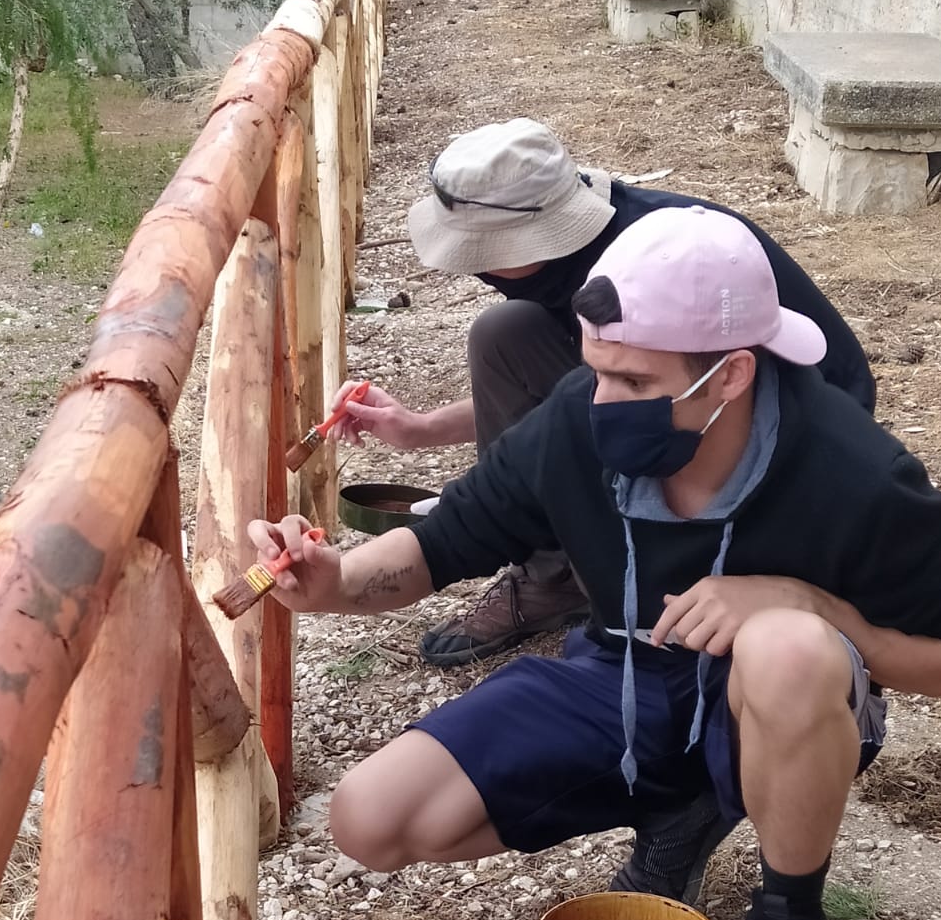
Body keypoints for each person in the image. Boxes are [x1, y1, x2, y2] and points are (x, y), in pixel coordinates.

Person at [249, 206, 941, 920]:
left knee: (786, 647)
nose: (600, 402)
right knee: (372, 819)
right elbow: (442, 541)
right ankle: (681, 810)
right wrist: (332, 582)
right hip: (626, 672)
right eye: (596, 370)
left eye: (632, 379)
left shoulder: (857, 472)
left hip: (781, 696)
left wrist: (804, 602)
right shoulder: (579, 421)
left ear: (731, 373)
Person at [332, 117, 876, 669]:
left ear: (537, 233)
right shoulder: (562, 264)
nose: (478, 267)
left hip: (778, 430)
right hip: (692, 393)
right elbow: (584, 392)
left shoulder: (641, 272)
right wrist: (420, 429)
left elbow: (667, 393)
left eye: (485, 250)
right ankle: (551, 577)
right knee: (505, 333)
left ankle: (662, 568)